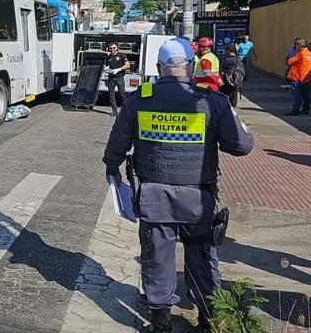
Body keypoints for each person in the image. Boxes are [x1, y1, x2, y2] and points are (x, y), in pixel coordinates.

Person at [103, 38, 254, 332]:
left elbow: (117, 144)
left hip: (154, 197)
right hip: (198, 198)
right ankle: (208, 317)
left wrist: (112, 169)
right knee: (201, 256)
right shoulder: (211, 100)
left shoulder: (139, 99)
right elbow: (242, 146)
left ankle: (161, 322)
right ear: (191, 66)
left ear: (159, 68)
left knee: (157, 258)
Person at [285, 38, 311, 116]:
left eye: (296, 45)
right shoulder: (309, 54)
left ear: (299, 46)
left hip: (296, 76)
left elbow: (290, 62)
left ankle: (296, 109)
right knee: (305, 94)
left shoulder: (300, 54)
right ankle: (306, 109)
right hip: (305, 78)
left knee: (296, 93)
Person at [105, 42, 130, 117]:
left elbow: (127, 65)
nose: (112, 49)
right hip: (111, 78)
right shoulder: (108, 57)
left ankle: (125, 111)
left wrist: (118, 69)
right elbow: (107, 65)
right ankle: (114, 111)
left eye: (114, 48)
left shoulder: (122, 55)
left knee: (122, 94)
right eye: (110, 48)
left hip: (119, 77)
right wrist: (107, 69)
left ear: (117, 48)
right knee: (111, 95)